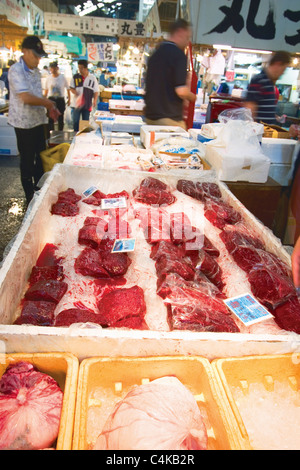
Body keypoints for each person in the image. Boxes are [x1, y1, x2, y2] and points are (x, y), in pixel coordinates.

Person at [8, 35, 59, 205]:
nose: (38, 59)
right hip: (24, 124)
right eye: (35, 55)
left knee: (41, 157)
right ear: (24, 51)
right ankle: (29, 196)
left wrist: (49, 108)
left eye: (39, 56)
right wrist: (48, 103)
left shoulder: (36, 71)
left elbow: (37, 96)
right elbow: (25, 97)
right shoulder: (16, 70)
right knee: (27, 160)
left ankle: (39, 190)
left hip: (38, 122)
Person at [144, 19, 196, 130]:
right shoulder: (178, 55)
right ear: (180, 33)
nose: (187, 42)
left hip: (150, 119)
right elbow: (181, 91)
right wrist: (192, 96)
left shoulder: (155, 55)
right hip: (169, 122)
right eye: (187, 38)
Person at [244, 51, 291, 125]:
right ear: (277, 63)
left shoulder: (270, 83)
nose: (283, 73)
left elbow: (265, 110)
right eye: (283, 69)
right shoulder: (259, 80)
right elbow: (250, 109)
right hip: (259, 132)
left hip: (268, 131)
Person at [70, 60, 99, 132]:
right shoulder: (75, 77)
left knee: (85, 122)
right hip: (76, 104)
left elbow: (96, 91)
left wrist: (95, 101)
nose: (79, 70)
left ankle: (83, 137)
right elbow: (71, 87)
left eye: (81, 68)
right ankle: (75, 135)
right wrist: (75, 92)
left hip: (87, 104)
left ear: (86, 68)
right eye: (79, 68)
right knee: (75, 121)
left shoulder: (92, 78)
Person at [44, 61, 70, 131]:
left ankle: (60, 132)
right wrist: (44, 100)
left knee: (60, 117)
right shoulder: (48, 78)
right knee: (50, 118)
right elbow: (46, 90)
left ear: (57, 68)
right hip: (51, 99)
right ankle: (51, 132)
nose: (53, 70)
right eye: (51, 68)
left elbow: (68, 88)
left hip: (60, 99)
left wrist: (69, 99)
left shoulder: (62, 77)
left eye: (54, 68)